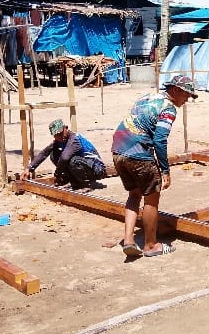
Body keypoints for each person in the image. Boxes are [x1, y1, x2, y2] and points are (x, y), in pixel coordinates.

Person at [112, 74, 198, 258]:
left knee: (134, 195)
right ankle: (151, 246)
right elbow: (160, 140)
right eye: (186, 94)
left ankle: (128, 240)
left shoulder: (147, 97)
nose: (187, 99)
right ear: (176, 90)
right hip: (138, 154)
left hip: (118, 150)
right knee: (151, 200)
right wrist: (165, 171)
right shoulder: (168, 108)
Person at [21, 119, 107, 189]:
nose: (59, 137)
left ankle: (84, 184)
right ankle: (73, 181)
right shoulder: (59, 141)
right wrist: (29, 169)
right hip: (85, 166)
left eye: (61, 133)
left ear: (66, 128)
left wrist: (57, 175)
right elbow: (44, 153)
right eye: (56, 135)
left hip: (97, 169)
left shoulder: (74, 139)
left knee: (72, 160)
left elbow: (64, 158)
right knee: (54, 155)